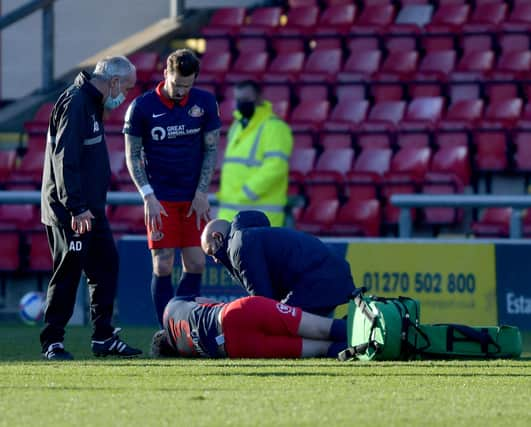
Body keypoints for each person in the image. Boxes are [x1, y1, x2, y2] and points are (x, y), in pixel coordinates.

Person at [40, 56, 142, 360]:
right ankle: (52, 342)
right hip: (72, 211)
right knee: (68, 272)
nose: (124, 94)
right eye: (125, 86)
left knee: (106, 265)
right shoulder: (76, 103)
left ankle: (103, 336)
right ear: (112, 81)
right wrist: (76, 207)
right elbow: (65, 159)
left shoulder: (90, 102)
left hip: (90, 209)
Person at [124, 49, 221, 327]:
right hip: (160, 197)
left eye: (186, 86)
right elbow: (132, 156)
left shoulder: (204, 103)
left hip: (193, 198)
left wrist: (202, 192)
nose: (180, 91)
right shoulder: (141, 107)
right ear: (165, 73)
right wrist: (147, 196)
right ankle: (166, 330)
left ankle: (184, 327)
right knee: (163, 264)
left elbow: (211, 150)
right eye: (177, 84)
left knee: (197, 263)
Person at [201, 211, 356, 317]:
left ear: (218, 237)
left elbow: (264, 302)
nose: (215, 260)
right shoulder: (250, 238)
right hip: (329, 274)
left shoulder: (239, 246)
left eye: (212, 252)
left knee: (294, 325)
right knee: (317, 331)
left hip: (318, 279)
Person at [151, 295, 348, 359]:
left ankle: (373, 350)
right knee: (323, 328)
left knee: (321, 348)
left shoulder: (184, 351)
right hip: (236, 313)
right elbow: (204, 300)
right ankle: (374, 331)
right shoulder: (171, 308)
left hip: (239, 347)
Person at [217, 80, 293, 227]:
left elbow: (276, 168)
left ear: (259, 98)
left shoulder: (275, 127)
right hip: (230, 213)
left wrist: (247, 193)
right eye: (238, 100)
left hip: (259, 214)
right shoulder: (237, 126)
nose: (241, 103)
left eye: (246, 99)